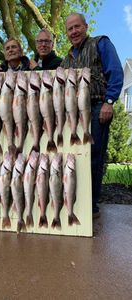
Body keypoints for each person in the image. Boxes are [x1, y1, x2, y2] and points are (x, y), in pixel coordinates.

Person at [61, 12, 124, 218]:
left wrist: (109, 101)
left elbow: (115, 71)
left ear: (86, 27)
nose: (74, 32)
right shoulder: (66, 59)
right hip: (74, 113)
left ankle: (92, 207)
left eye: (77, 27)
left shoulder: (101, 43)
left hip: (98, 107)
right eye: (70, 29)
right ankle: (76, 203)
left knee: (95, 157)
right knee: (74, 159)